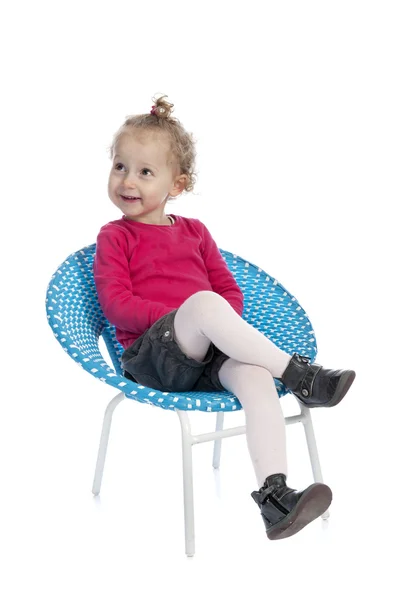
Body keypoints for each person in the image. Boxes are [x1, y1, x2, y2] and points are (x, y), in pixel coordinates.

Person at [93, 94, 356, 541]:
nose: (127, 180)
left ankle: (274, 498)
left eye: (144, 171)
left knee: (253, 374)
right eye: (120, 166)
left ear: (177, 185)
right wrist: (190, 316)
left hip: (204, 351)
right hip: (153, 358)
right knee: (202, 303)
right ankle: (301, 378)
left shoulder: (196, 232)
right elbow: (116, 304)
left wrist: (213, 323)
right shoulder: (115, 236)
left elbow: (228, 292)